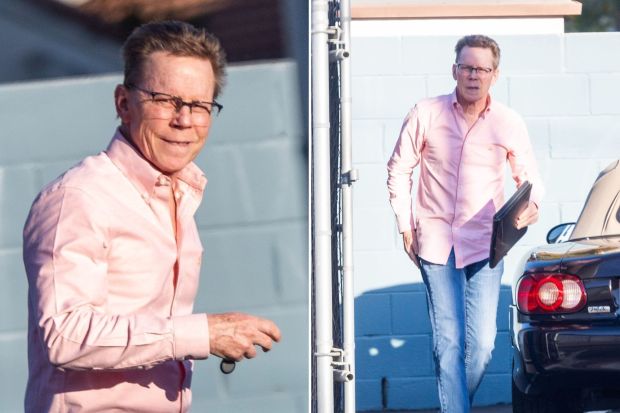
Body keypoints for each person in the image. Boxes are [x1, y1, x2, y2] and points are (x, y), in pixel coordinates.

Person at [23, 20, 281, 412]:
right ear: (123, 103)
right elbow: (64, 335)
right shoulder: (78, 198)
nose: (184, 121)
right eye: (166, 100)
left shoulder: (177, 196)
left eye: (199, 106)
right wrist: (203, 335)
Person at [386, 35, 543, 413]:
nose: (474, 75)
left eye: (482, 69)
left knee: (484, 344)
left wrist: (530, 207)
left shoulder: (508, 122)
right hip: (436, 243)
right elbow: (398, 170)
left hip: (487, 245)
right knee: (450, 341)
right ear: (454, 70)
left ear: (495, 74)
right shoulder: (426, 113)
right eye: (467, 67)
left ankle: (452, 402)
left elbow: (530, 180)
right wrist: (406, 225)